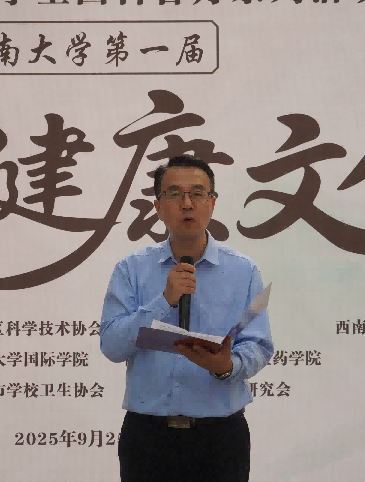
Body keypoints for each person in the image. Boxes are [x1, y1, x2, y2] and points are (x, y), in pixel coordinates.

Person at [100, 154, 274, 482]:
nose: (187, 204)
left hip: (220, 438)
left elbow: (259, 346)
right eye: (174, 194)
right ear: (157, 206)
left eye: (197, 193)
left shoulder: (243, 270)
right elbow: (111, 345)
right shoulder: (131, 269)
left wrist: (226, 366)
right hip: (148, 438)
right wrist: (163, 300)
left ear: (212, 203)